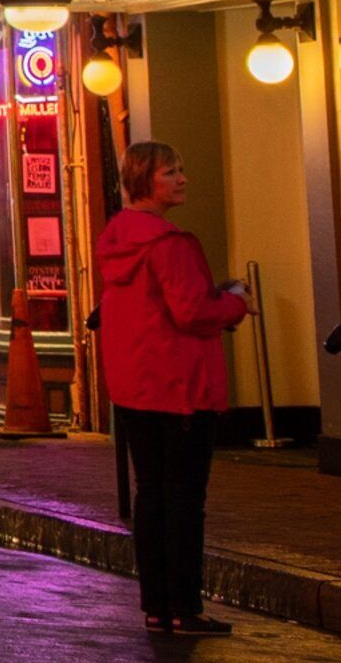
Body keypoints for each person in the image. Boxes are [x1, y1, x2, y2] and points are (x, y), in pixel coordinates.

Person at [96, 141, 251, 637]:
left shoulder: (118, 238)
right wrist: (235, 304)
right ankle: (185, 606)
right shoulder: (170, 243)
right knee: (184, 498)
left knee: (152, 495)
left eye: (181, 169)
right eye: (171, 172)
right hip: (180, 385)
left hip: (135, 386)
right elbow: (193, 313)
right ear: (146, 181)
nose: (182, 178)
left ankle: (157, 606)